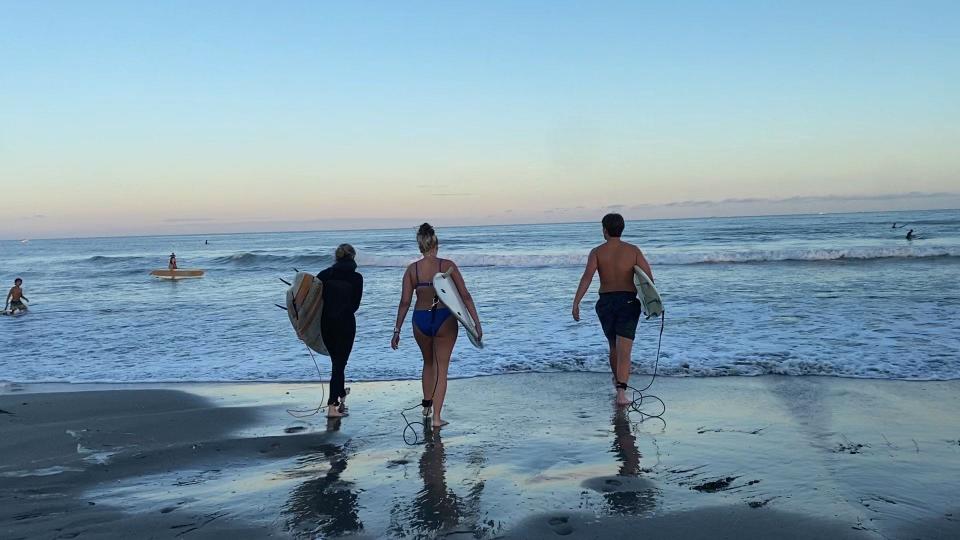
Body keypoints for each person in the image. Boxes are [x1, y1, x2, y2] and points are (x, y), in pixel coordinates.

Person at [391, 223, 481, 428]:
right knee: (442, 367)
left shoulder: (412, 270)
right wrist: (475, 323)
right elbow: (465, 296)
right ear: (436, 244)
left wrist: (396, 330)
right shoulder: (446, 265)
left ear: (420, 245)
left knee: (428, 363)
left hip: (420, 320)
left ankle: (426, 406)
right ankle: (437, 418)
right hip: (444, 320)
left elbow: (404, 302)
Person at [572, 213, 654, 407]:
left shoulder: (597, 252)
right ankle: (621, 394)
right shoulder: (633, 251)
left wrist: (576, 302)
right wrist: (651, 305)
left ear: (604, 230)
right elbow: (649, 280)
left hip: (605, 303)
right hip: (627, 302)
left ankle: (617, 382)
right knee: (625, 351)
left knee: (614, 347)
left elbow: (587, 278)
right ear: (622, 229)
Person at [316, 244, 363, 418]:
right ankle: (331, 406)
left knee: (337, 362)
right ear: (352, 257)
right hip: (345, 323)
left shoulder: (324, 274)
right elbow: (355, 305)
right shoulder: (356, 278)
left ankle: (341, 394)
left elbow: (313, 301)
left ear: (336, 257)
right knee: (339, 364)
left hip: (326, 323)